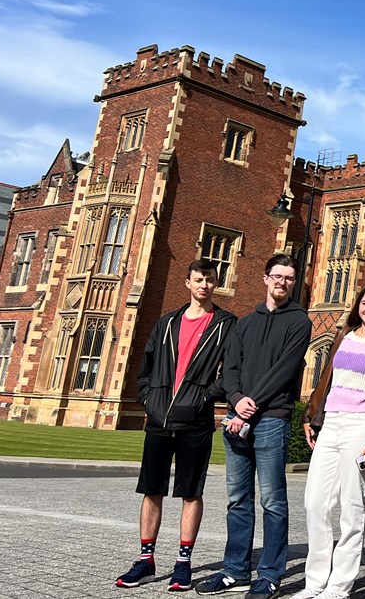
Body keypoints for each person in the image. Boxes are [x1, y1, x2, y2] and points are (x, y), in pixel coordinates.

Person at [115, 260, 237, 590]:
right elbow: (146, 366)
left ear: (215, 284)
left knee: (190, 492)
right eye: (198, 280)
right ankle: (146, 561)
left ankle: (183, 563)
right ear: (188, 283)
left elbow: (231, 373)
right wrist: (148, 398)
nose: (204, 285)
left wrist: (202, 398)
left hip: (195, 421)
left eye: (210, 280)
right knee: (152, 489)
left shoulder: (226, 324)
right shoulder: (167, 322)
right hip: (159, 419)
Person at [197, 254, 312, 597]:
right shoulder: (245, 323)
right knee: (237, 499)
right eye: (277, 276)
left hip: (271, 419)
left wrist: (250, 404)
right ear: (265, 279)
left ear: (293, 283)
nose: (282, 282)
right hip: (238, 417)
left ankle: (271, 573)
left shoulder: (300, 322)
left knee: (273, 500)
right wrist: (234, 398)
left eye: (289, 278)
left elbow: (285, 370)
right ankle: (235, 571)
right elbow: (229, 367)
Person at [298, 284, 365, 599]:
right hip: (331, 423)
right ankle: (314, 582)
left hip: (361, 427)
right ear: (358, 305)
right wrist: (311, 416)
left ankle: (340, 585)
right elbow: (327, 380)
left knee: (352, 507)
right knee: (315, 502)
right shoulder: (344, 336)